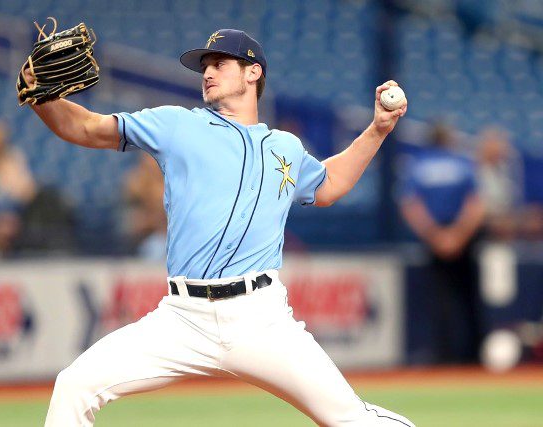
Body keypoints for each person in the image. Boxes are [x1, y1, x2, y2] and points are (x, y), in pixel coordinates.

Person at [23, 29, 412, 426]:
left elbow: (328, 185)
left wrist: (378, 128)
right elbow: (87, 128)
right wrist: (44, 98)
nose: (207, 72)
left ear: (253, 73)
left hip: (260, 318)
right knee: (74, 385)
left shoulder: (286, 147)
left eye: (220, 63)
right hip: (182, 317)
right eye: (204, 66)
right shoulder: (176, 125)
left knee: (350, 418)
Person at [399, 122, 485, 364]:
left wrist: (435, 236)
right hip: (464, 241)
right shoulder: (462, 163)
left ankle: (443, 358)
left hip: (434, 240)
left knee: (439, 301)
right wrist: (457, 235)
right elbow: (475, 204)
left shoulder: (418, 165)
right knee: (469, 299)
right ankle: (473, 358)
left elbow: (411, 206)